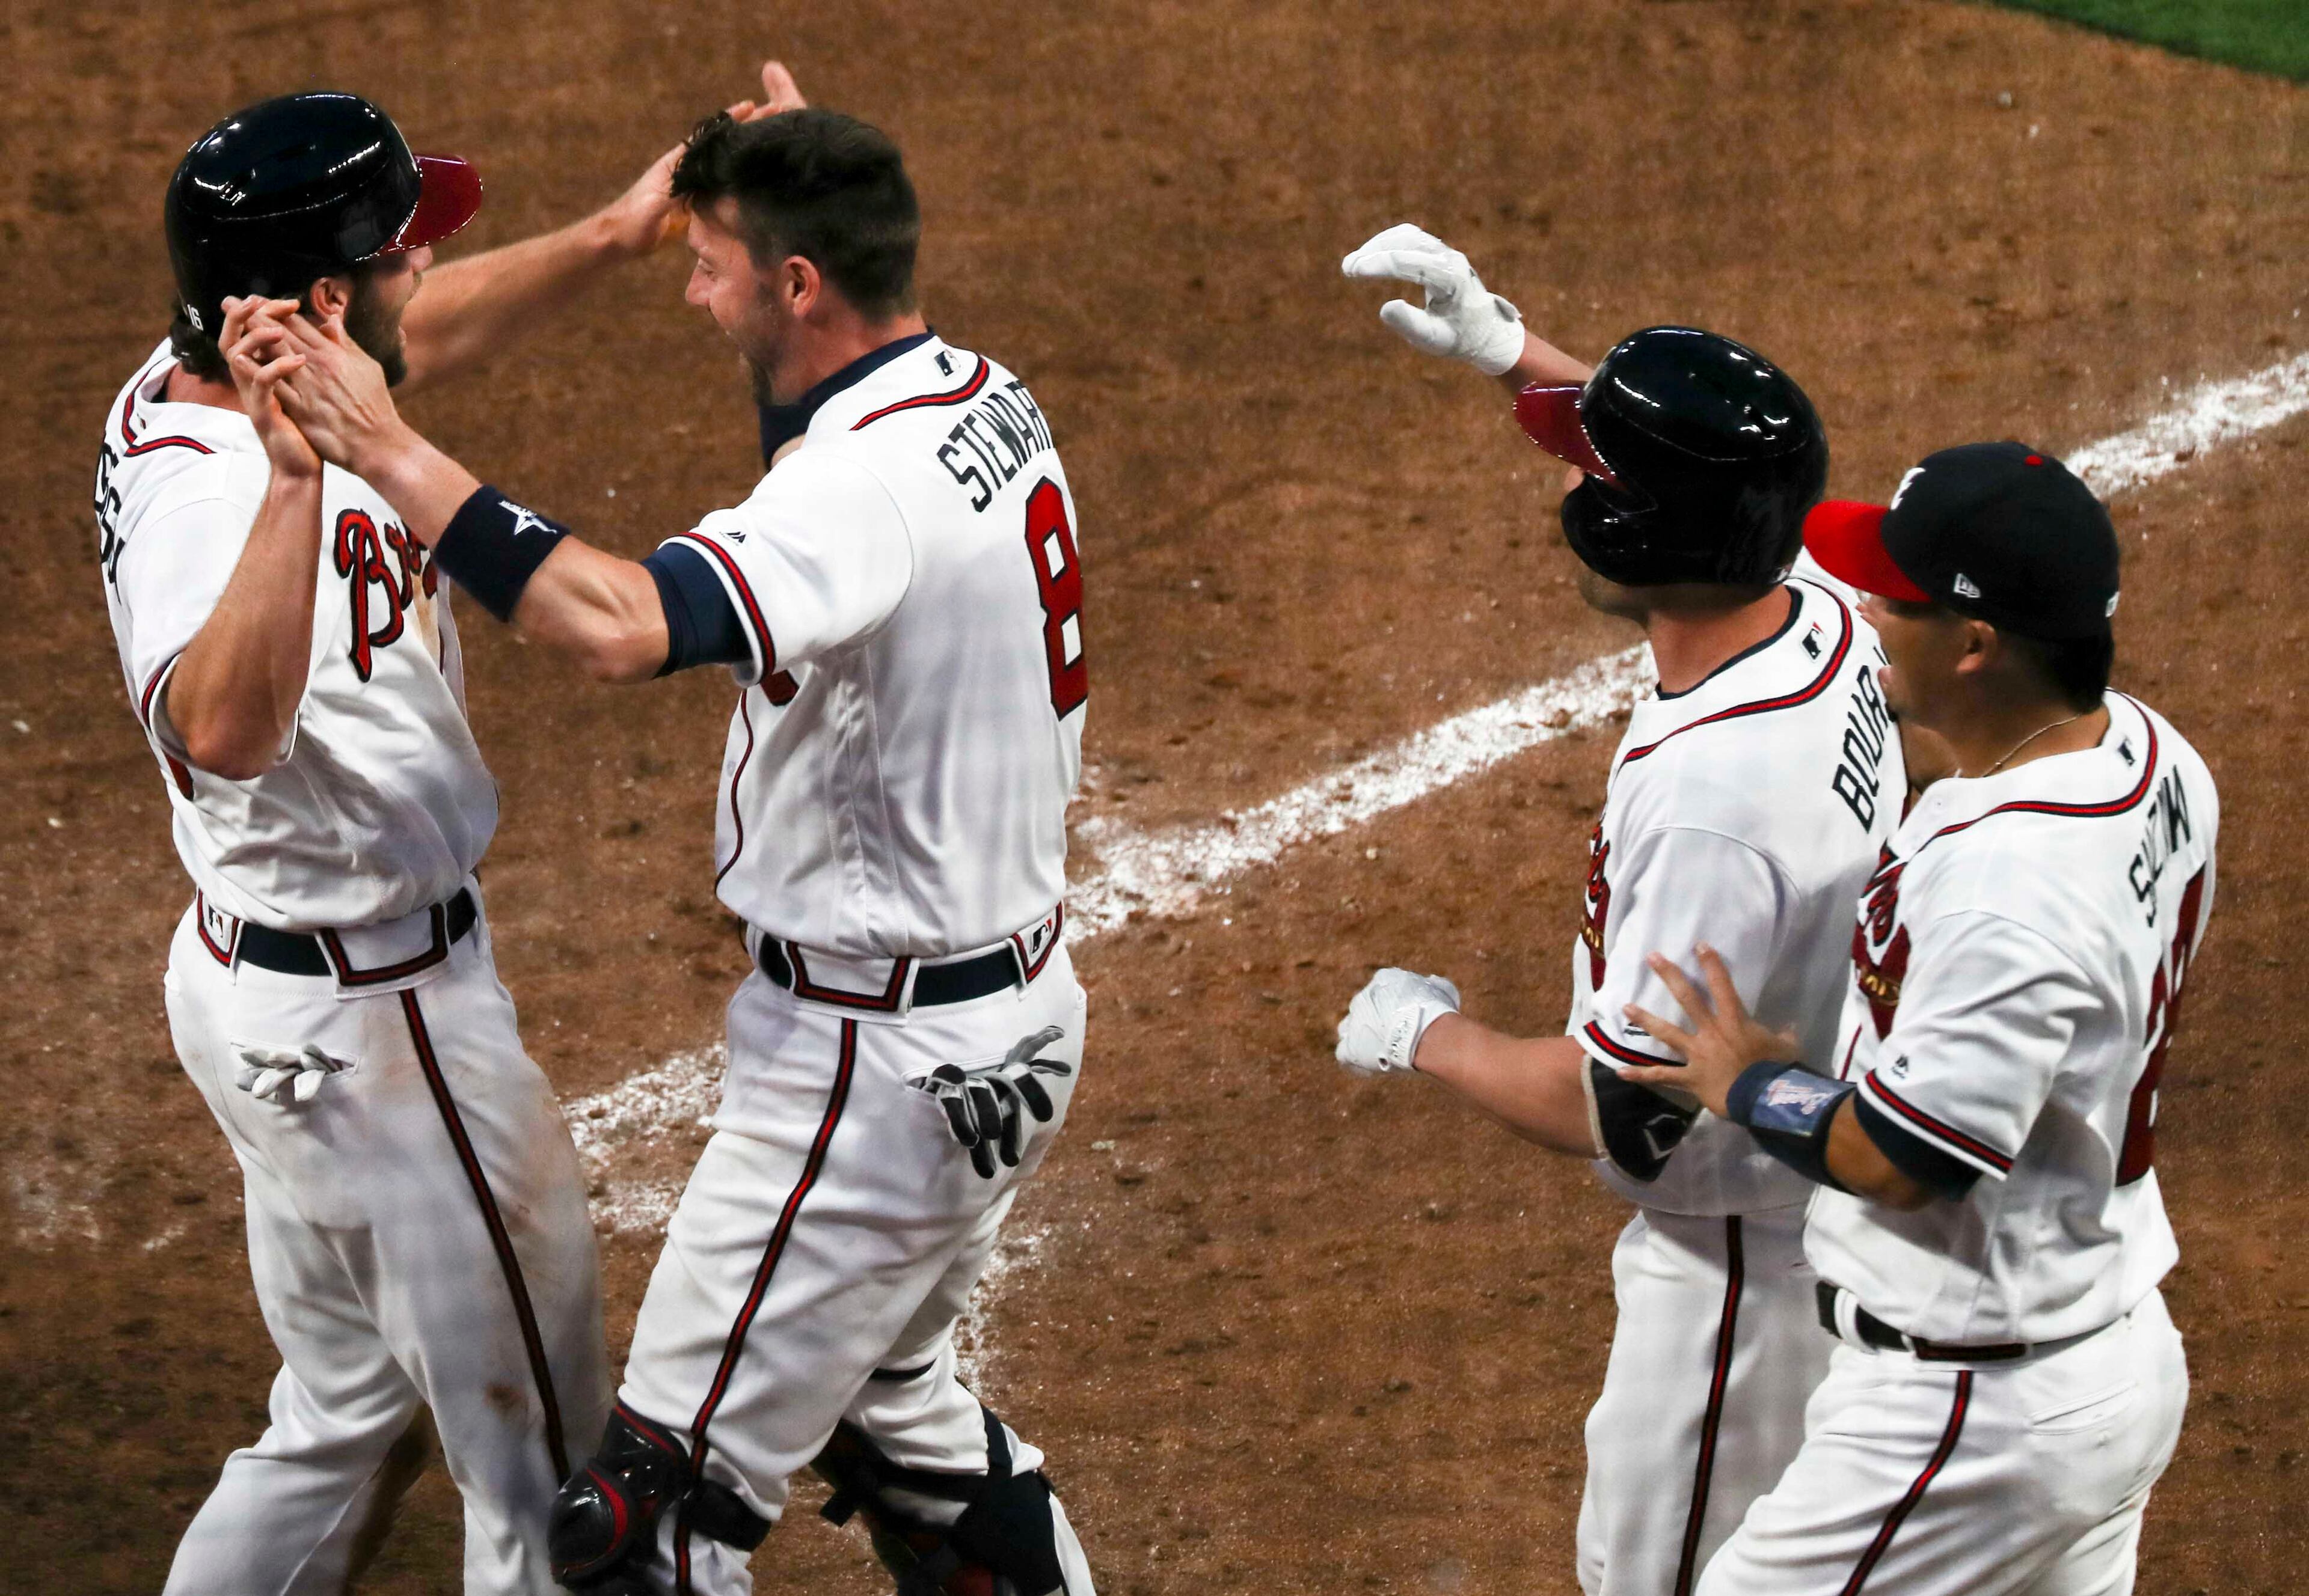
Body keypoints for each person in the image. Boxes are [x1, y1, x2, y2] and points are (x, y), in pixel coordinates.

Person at [237, 102, 1099, 1596]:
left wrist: (387, 447)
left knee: (639, 1536)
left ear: (801, 282)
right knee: (902, 1425)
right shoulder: (971, 394)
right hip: (1004, 1021)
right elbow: (813, 479)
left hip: (867, 1076)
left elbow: (622, 625)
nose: (694, 295)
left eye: (713, 267)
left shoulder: (858, 488)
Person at [100, 73, 799, 1595]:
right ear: (328, 299)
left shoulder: (201, 374)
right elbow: (217, 731)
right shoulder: (219, 490)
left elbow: (431, 330)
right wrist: (299, 490)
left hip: (272, 987)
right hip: (376, 1029)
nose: (427, 266)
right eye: (402, 247)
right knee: (556, 1495)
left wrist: (614, 238)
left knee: (343, 1419)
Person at [1329, 225, 1907, 1596]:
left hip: (1737, 1272)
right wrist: (1514, 355)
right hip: (1838, 1206)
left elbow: (1619, 1105)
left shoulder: (1716, 797)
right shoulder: (1817, 604)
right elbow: (1720, 485)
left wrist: (1425, 1033)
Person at [1617, 444, 2207, 1594]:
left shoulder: (2010, 889)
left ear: (1977, 644)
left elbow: (1903, 1160)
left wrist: (1746, 1082)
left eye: (1896, 597)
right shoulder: (2152, 753)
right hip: (2103, 1346)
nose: (1870, 615)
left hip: (1969, 1420)